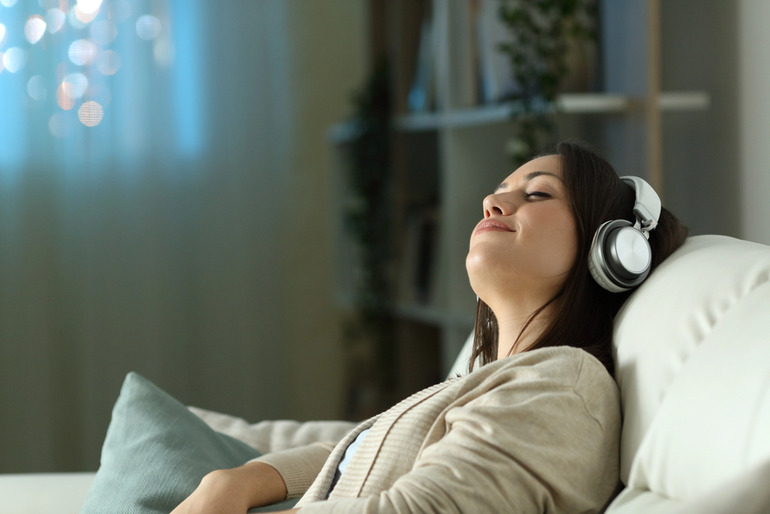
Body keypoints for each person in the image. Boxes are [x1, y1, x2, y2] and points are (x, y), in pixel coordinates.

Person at [172, 141, 688, 513]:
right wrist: (238, 480)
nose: (494, 203)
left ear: (613, 250)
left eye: (537, 195)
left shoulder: (563, 385)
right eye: (499, 190)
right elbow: (359, 450)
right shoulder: (484, 381)